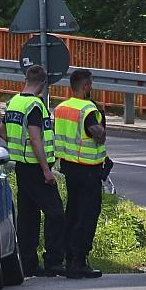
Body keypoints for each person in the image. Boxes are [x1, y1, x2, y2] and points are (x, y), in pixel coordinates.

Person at [0, 65, 65, 277]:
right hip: (36, 168)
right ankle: (53, 262)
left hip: (20, 167)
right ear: (44, 84)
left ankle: (28, 263)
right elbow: (36, 138)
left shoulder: (14, 103)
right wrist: (46, 170)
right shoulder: (35, 106)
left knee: (28, 216)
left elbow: (3, 133)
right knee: (56, 213)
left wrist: (20, 146)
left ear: (25, 79)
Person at [54, 69, 106, 279]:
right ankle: (79, 261)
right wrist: (101, 124)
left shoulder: (61, 107)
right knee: (87, 216)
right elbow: (99, 136)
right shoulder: (88, 109)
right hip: (88, 169)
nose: (92, 87)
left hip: (69, 167)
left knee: (72, 212)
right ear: (85, 86)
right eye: (90, 84)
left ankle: (69, 259)